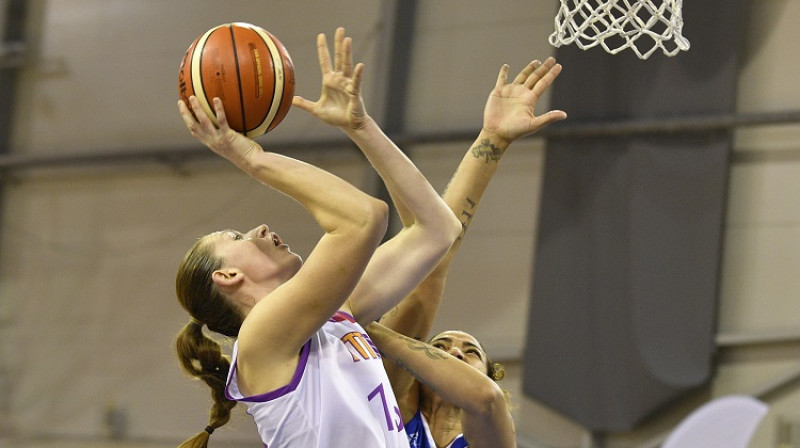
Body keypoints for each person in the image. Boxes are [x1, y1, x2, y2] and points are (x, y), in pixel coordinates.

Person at [173, 27, 461, 448]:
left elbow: (437, 230)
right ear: (228, 276)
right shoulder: (260, 339)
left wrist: (361, 127)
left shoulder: (335, 317)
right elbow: (363, 218)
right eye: (237, 235)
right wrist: (252, 158)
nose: (261, 230)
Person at [376, 58, 567, 447]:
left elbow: (482, 399)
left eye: (469, 352)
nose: (455, 354)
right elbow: (431, 265)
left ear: (488, 373)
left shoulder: (490, 426)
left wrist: (359, 324)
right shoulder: (389, 413)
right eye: (440, 348)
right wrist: (492, 138)